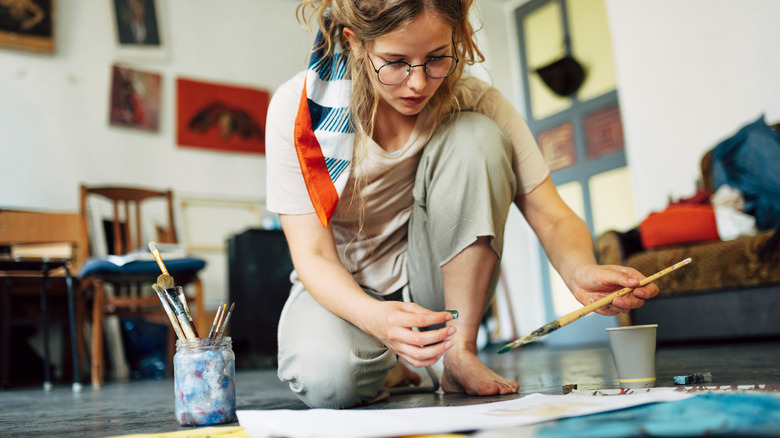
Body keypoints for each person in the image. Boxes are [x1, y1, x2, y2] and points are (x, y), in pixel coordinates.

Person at [265, 0, 659, 409]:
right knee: (328, 381)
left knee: (479, 137)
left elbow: (551, 213)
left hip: (433, 282)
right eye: (395, 61)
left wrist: (581, 270)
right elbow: (312, 254)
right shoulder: (300, 111)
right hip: (343, 284)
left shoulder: (472, 99)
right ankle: (399, 366)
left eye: (436, 58)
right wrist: (376, 320)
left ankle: (458, 353)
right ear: (356, 42)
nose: (418, 83)